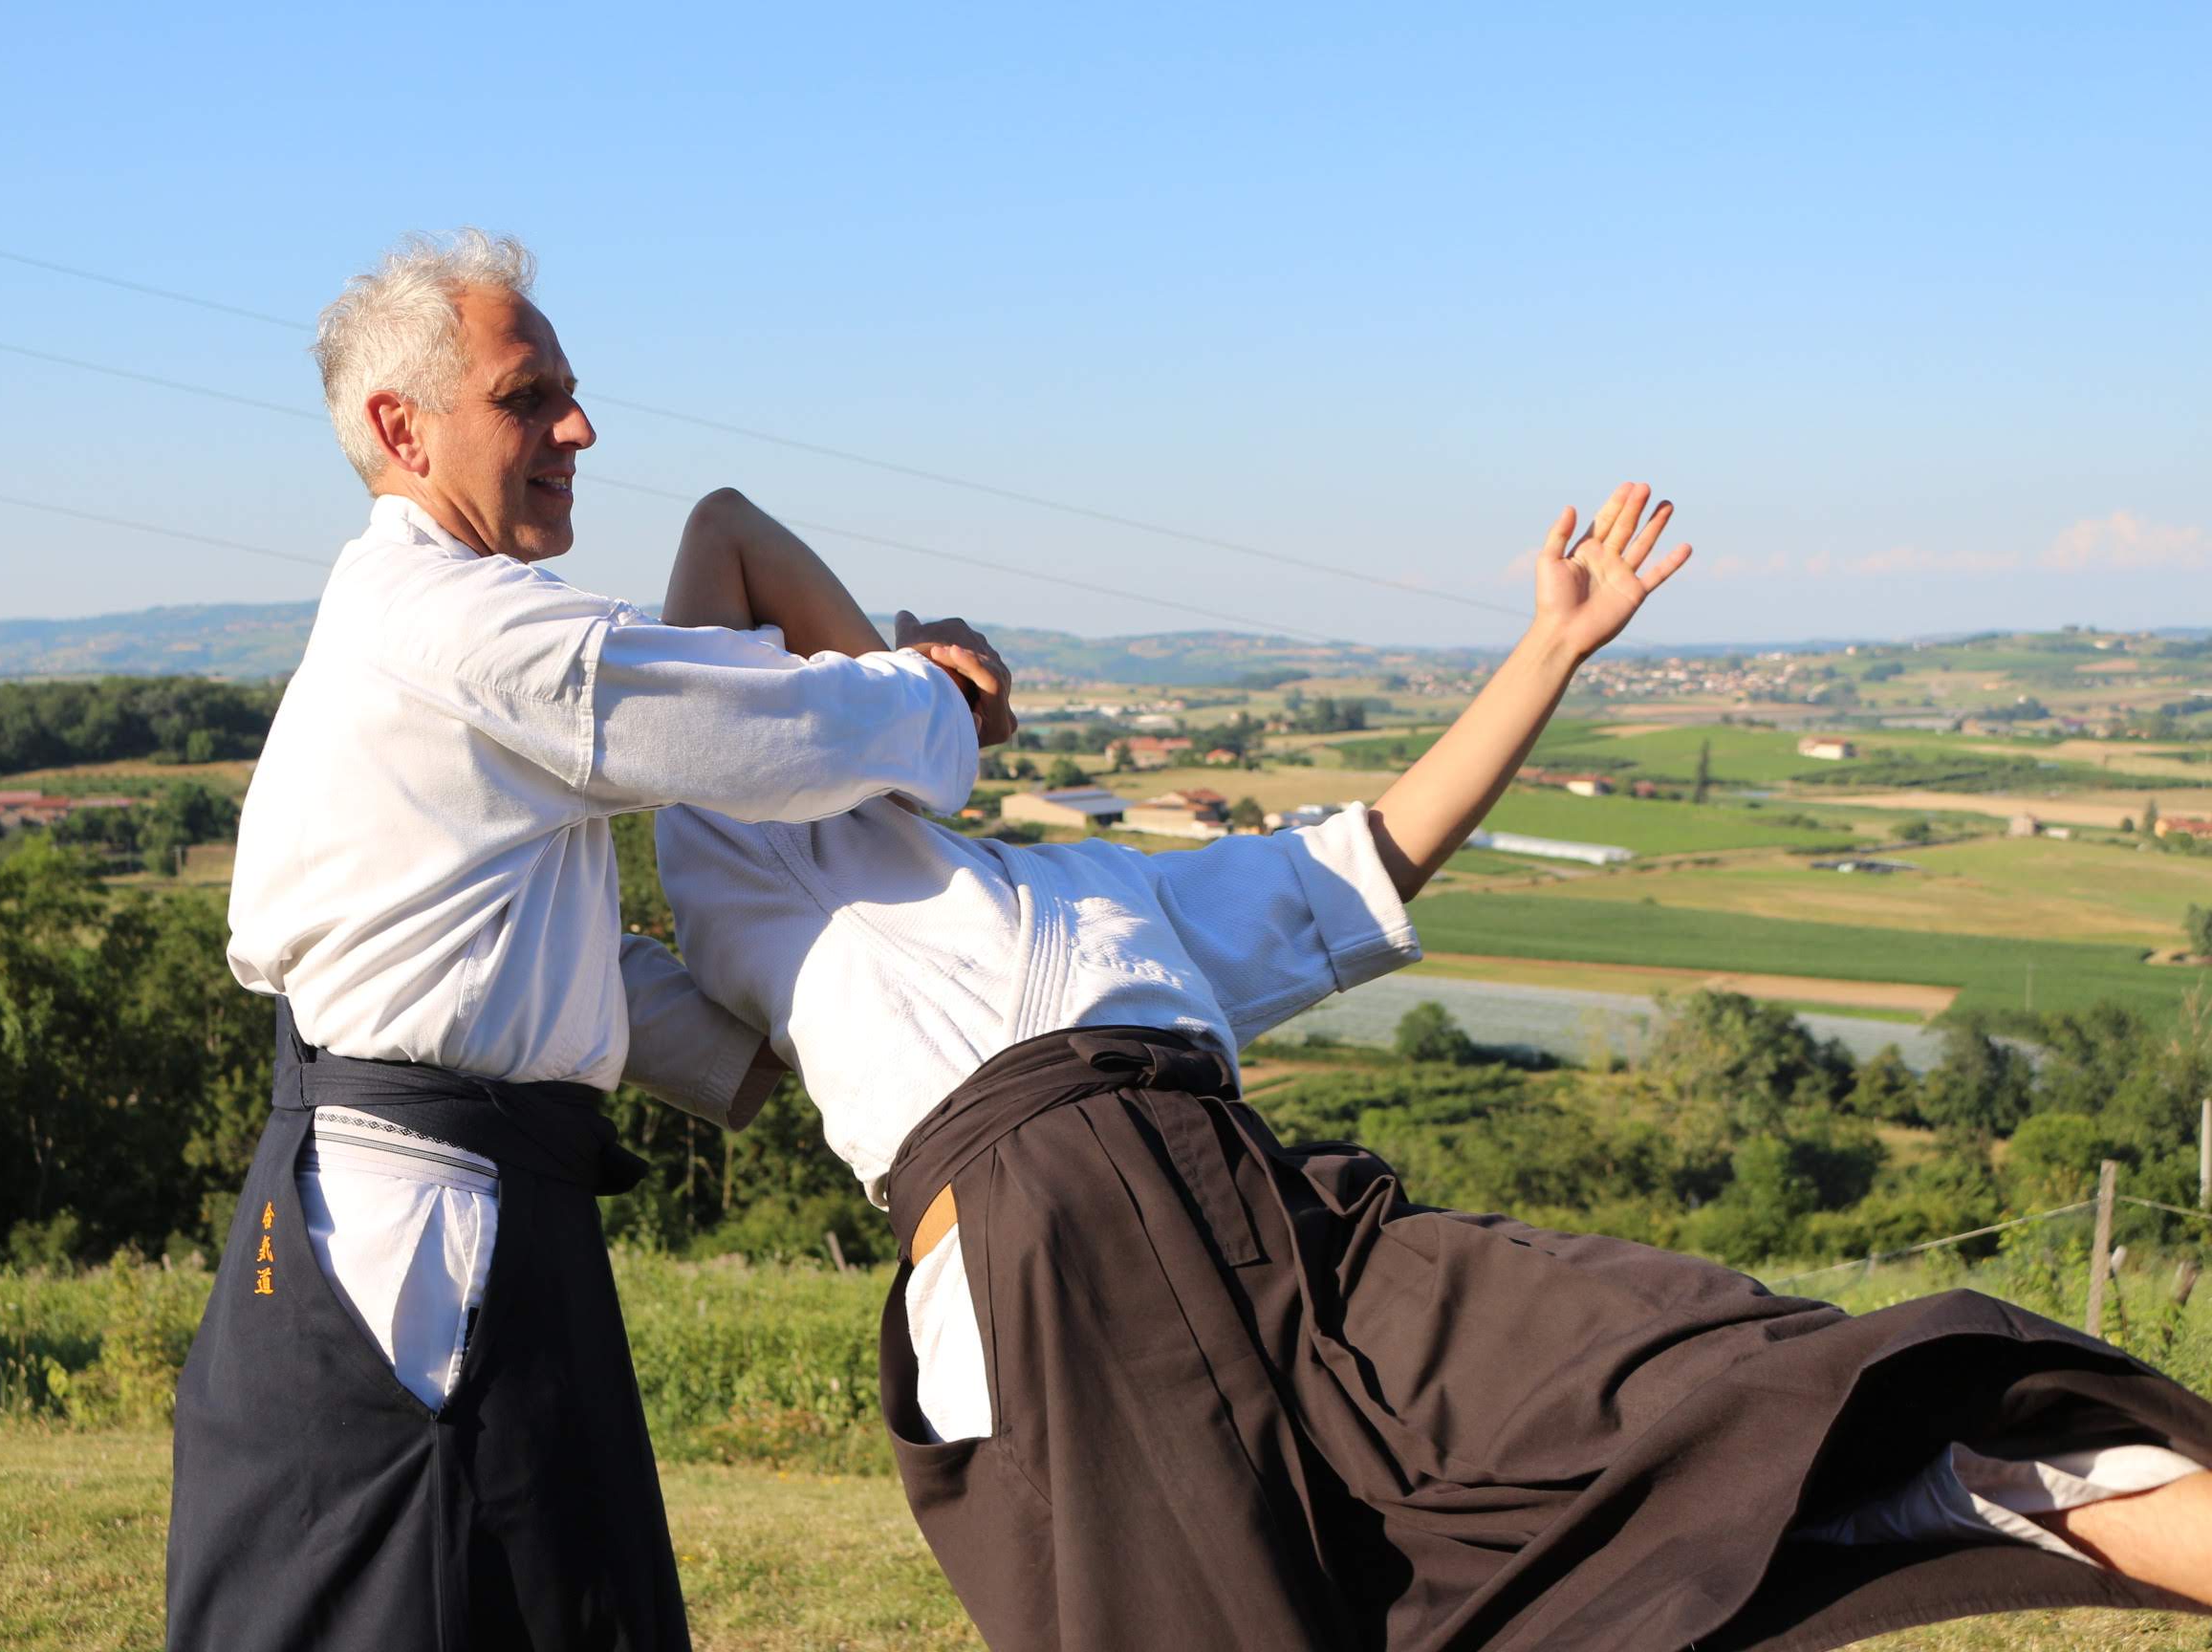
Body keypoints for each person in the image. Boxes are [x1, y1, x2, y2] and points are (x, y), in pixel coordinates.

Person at [649, 486, 2212, 1651]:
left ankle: (2042, 1489)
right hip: (1047, 1269)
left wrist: (1553, 647)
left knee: (1785, 1390)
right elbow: (727, 533)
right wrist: (926, 693)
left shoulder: (1111, 892)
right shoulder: (766, 853)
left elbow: (1378, 849)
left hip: (1306, 1247)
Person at [165, 229, 1016, 1652]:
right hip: (430, 1243)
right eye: (529, 396)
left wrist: (739, 1049)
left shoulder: (393, 629)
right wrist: (937, 698)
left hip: (422, 1202)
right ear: (401, 428)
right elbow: (772, 729)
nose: (579, 428)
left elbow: (481, 940)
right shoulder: (469, 633)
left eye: (568, 391)